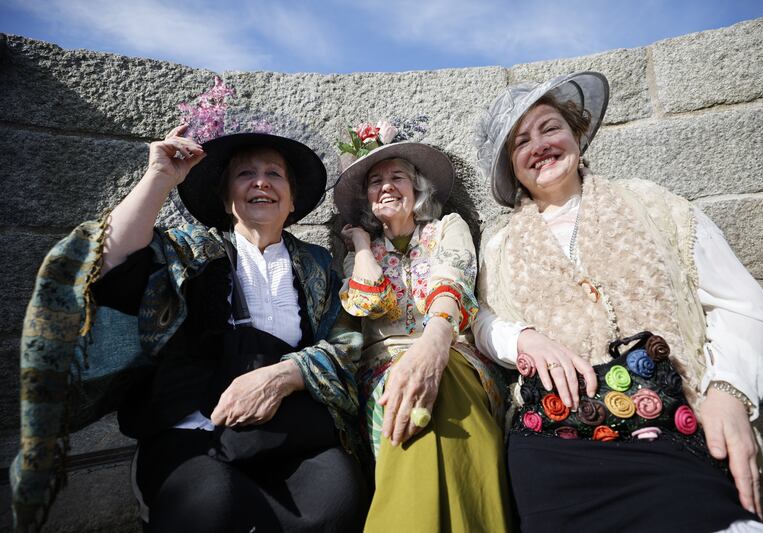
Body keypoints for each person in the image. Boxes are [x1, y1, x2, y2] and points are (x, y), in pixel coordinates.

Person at [472, 72, 763, 532]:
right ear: (512, 166)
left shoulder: (655, 206)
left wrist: (727, 394)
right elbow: (482, 319)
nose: (540, 145)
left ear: (576, 133)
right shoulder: (499, 245)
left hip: (671, 421)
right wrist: (522, 337)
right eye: (522, 141)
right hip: (555, 441)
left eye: (550, 128)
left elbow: (741, 306)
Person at [21, 121, 367, 532]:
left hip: (286, 431)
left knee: (341, 495)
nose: (261, 182)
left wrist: (285, 374)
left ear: (293, 201)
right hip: (195, 436)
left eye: (274, 174)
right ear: (225, 198)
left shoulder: (317, 265)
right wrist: (159, 178)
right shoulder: (185, 252)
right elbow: (108, 262)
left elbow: (345, 343)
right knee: (211, 504)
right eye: (245, 174)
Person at [333, 124, 511, 532]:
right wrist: (361, 245)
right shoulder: (363, 251)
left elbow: (452, 282)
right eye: (375, 181)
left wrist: (433, 346)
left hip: (452, 351)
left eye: (397, 177)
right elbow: (368, 300)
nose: (386, 186)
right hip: (383, 367)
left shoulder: (446, 227)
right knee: (403, 403)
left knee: (440, 386)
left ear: (417, 189)